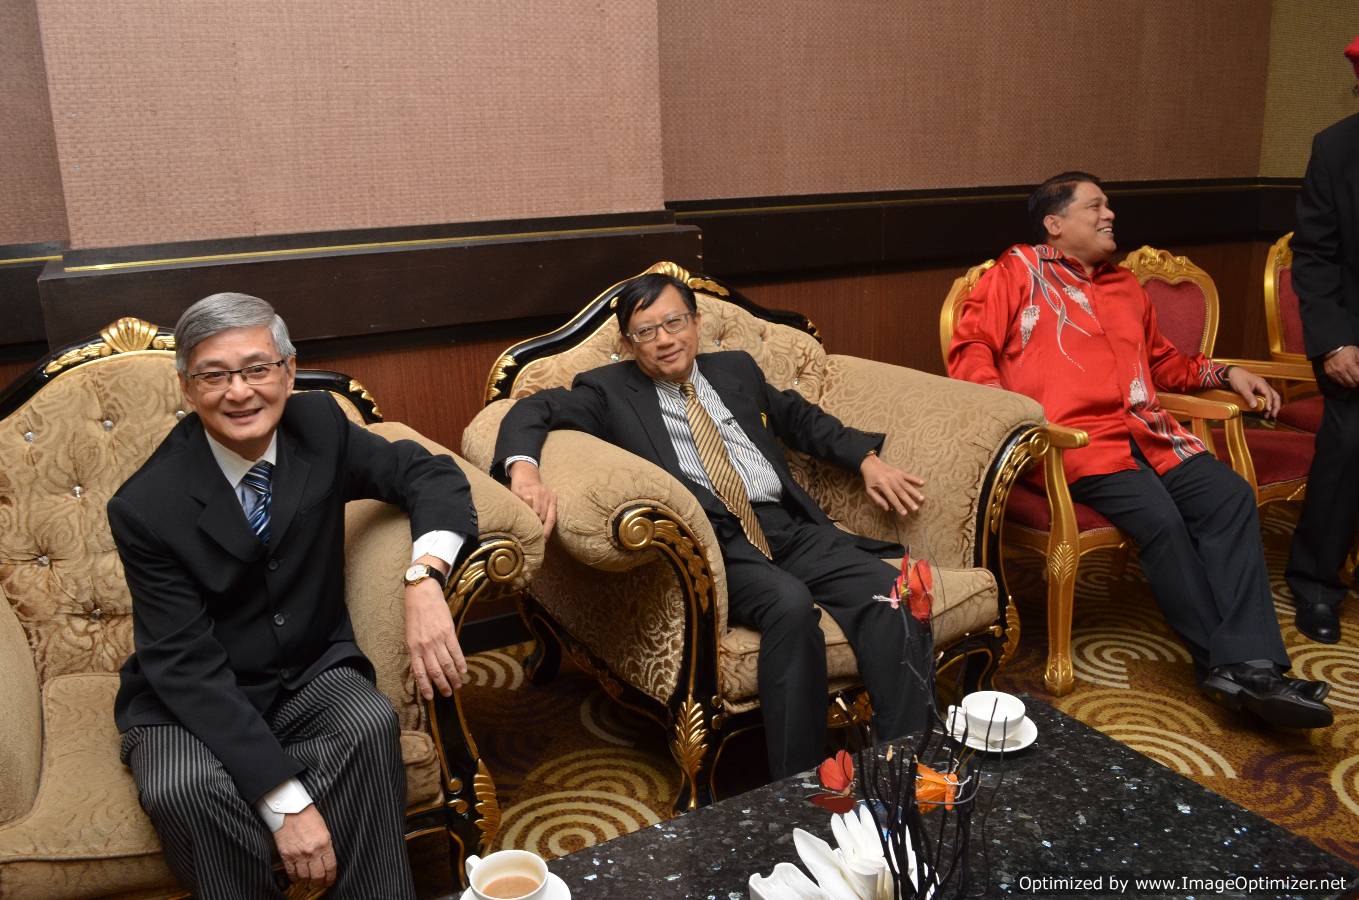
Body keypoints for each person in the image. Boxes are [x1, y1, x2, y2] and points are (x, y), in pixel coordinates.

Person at [109, 293, 478, 898]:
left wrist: (424, 577)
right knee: (184, 787)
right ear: (187, 389)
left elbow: (427, 473)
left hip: (308, 669)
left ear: (288, 370)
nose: (239, 392)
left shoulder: (321, 426)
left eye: (257, 368)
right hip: (192, 695)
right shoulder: (145, 505)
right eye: (214, 376)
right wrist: (285, 803)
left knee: (368, 722)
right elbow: (184, 664)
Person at [493, 273, 930, 779]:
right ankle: (801, 786)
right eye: (647, 331)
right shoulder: (609, 391)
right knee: (788, 605)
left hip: (785, 526)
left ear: (696, 323)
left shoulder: (735, 369)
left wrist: (867, 461)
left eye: (674, 322)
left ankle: (908, 765)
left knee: (893, 593)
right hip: (717, 542)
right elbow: (532, 409)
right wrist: (523, 470)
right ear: (628, 344)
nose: (665, 339)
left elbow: (800, 419)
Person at [948, 172, 1333, 729]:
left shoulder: (1126, 286)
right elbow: (971, 349)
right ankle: (1241, 670)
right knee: (1161, 521)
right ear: (1054, 224)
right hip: (1075, 444)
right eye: (1094, 206)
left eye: (1109, 206)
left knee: (1228, 495)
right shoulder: (1017, 272)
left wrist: (1227, 372)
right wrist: (1013, 423)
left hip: (1153, 435)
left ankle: (1248, 668)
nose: (1110, 215)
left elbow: (1166, 364)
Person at [1285, 36, 1359, 646]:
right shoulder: (1335, 149)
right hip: (1354, 337)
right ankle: (1314, 584)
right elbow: (1314, 256)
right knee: (1348, 443)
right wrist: (1334, 343)